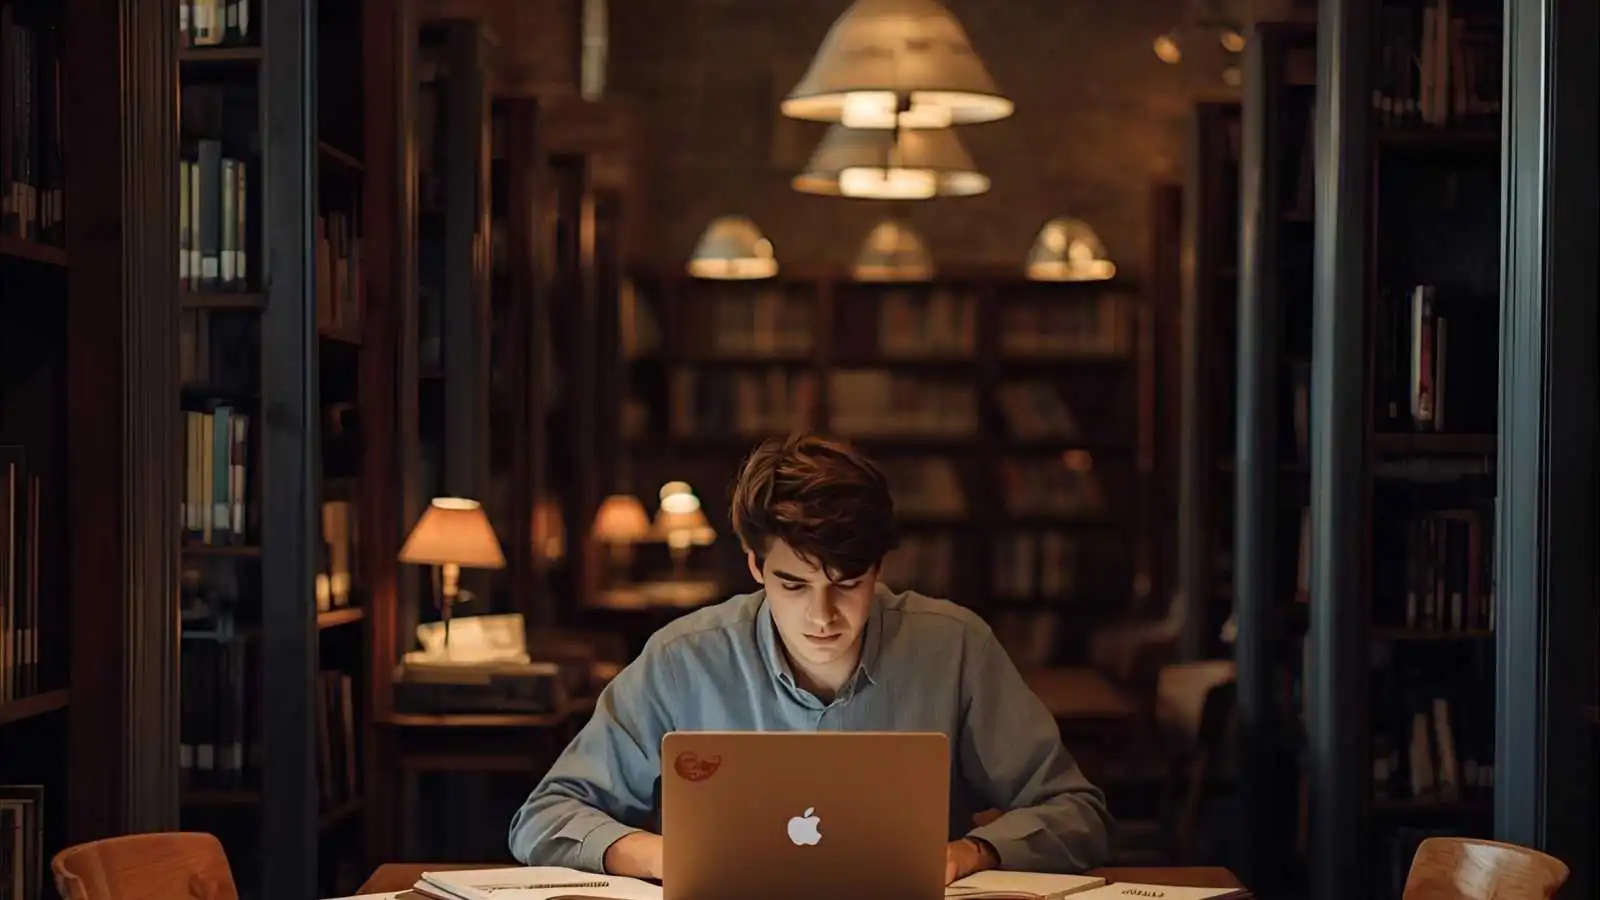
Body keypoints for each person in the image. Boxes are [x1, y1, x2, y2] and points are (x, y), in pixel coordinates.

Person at [508, 433, 1113, 882]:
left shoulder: (954, 646)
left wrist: (968, 854)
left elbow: (1077, 813)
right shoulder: (682, 658)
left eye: (848, 584)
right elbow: (545, 817)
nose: (822, 617)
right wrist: (667, 857)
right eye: (793, 585)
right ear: (755, 566)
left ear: (879, 568)